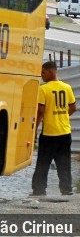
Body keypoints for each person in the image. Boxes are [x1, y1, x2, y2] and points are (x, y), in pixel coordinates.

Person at [31, 60, 77, 196]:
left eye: (43, 72)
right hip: (65, 132)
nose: (42, 75)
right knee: (64, 162)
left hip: (49, 133)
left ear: (51, 71)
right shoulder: (67, 87)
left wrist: (34, 130)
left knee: (43, 163)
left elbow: (40, 112)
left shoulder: (44, 89)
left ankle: (38, 190)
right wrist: (63, 116)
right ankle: (67, 189)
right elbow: (73, 107)